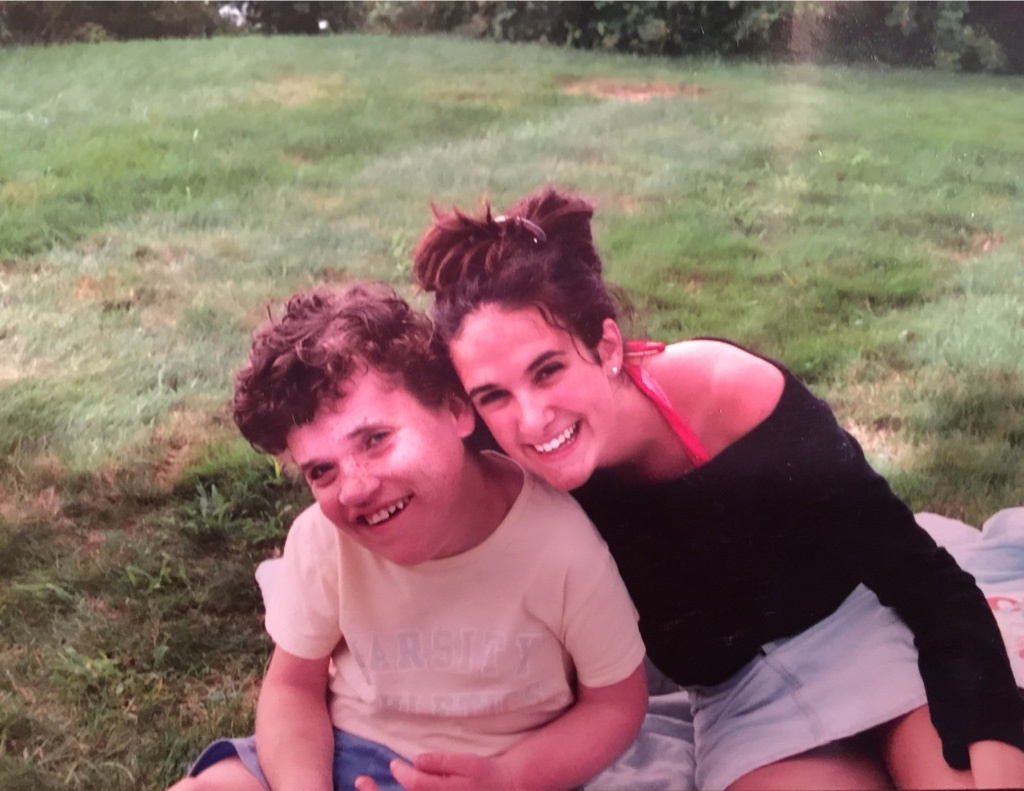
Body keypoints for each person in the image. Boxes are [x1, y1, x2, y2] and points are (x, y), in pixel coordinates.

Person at [411, 186, 1024, 790]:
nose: (532, 417)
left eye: (548, 371)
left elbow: (926, 581)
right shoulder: (487, 449)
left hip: (870, 639)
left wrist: (997, 743)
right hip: (743, 708)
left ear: (606, 347)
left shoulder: (729, 397)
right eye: (494, 395)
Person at [167, 283, 647, 791]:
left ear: (455, 409)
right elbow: (292, 687)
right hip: (338, 752)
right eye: (322, 472)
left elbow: (616, 703)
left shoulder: (559, 546)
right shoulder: (324, 539)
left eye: (375, 440)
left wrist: (509, 776)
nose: (355, 489)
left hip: (494, 771)